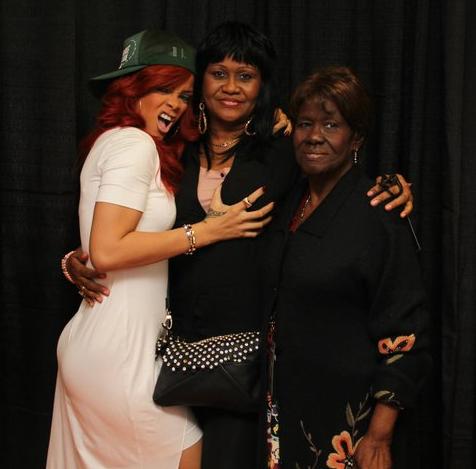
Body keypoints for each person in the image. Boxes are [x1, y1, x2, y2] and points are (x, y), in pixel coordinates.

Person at [65, 23, 415, 468]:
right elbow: (124, 224)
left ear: (261, 85)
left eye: (245, 76)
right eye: (219, 74)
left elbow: (333, 181)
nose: (231, 87)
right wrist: (76, 260)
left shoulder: (283, 149)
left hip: (244, 365)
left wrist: (390, 186)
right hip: (163, 357)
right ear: (201, 83)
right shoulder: (172, 148)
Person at [46, 29, 274, 469]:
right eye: (162, 89)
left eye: (184, 95)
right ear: (132, 90)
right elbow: (107, 250)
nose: (175, 104)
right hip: (117, 350)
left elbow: (99, 241)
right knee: (183, 456)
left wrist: (75, 260)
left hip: (107, 342)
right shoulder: (134, 144)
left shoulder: (117, 141)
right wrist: (206, 232)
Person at [261, 66, 430, 469]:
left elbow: (407, 335)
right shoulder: (288, 200)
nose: (314, 136)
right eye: (305, 124)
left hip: (347, 425)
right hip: (281, 413)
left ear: (356, 139)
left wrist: (380, 436)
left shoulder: (379, 214)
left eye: (331, 125)